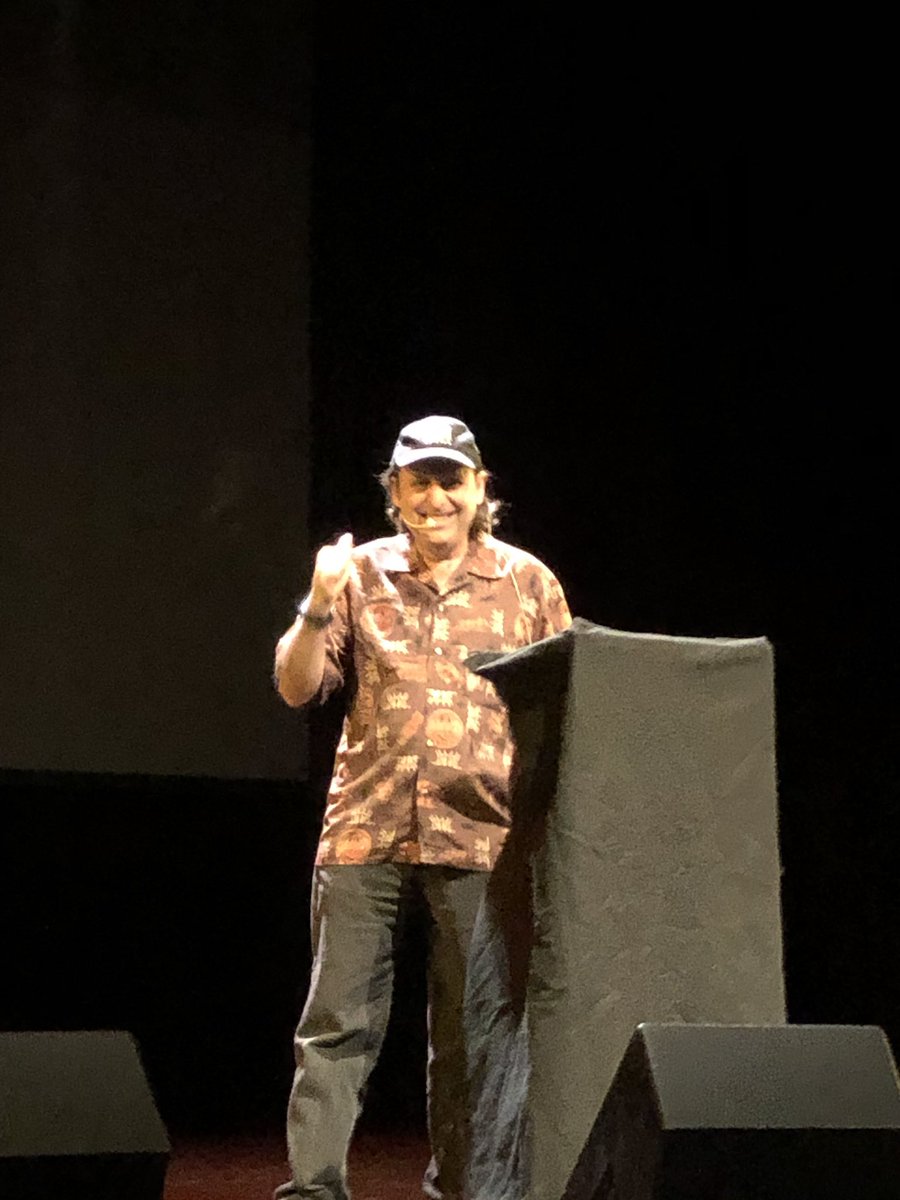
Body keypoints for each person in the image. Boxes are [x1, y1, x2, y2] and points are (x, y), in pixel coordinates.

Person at [273, 415, 571, 1200]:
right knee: (335, 1026)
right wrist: (316, 602)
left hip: (480, 835)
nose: (436, 498)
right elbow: (297, 687)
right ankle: (314, 1191)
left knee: (471, 1039)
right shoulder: (357, 574)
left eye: (451, 481)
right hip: (365, 831)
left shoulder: (529, 584)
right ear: (396, 492)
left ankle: (464, 1191)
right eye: (419, 482)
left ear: (480, 490)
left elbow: (566, 709)